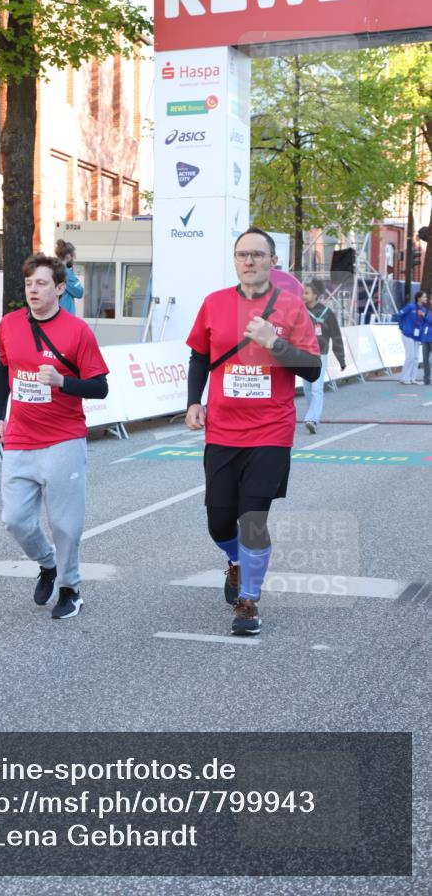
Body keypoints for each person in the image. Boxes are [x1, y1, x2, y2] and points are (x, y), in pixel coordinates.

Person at [185, 228, 321, 636]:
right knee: (219, 520)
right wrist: (194, 401)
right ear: (235, 260)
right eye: (242, 254)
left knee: (253, 518)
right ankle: (236, 561)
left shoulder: (292, 307)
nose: (249, 261)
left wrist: (274, 342)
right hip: (223, 430)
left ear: (272, 261)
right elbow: (198, 356)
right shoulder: (214, 303)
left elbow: (312, 369)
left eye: (257, 255)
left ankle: (249, 601)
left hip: (271, 431)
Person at [0, 253, 108, 619]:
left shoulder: (77, 331)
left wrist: (62, 382)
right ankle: (47, 563)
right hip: (21, 439)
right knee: (15, 520)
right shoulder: (10, 325)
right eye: (28, 284)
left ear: (59, 288)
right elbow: (4, 370)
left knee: (64, 524)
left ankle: (71, 588)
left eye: (41, 284)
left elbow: (99, 387)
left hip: (63, 439)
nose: (33, 290)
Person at [301, 278, 346, 434]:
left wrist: (341, 359)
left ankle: (312, 419)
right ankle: (312, 416)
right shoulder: (300, 311)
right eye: (303, 292)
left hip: (320, 354)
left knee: (317, 388)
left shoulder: (327, 314)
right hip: (303, 354)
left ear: (315, 295)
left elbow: (336, 336)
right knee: (307, 388)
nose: (303, 295)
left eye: (306, 293)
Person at [397, 291, 427, 385]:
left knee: (416, 358)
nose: (426, 298)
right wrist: (402, 327)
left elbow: (424, 323)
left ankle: (412, 378)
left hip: (417, 337)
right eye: (424, 297)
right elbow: (399, 315)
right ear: (419, 298)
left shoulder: (424, 310)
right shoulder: (410, 307)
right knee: (410, 357)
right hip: (407, 335)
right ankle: (404, 378)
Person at [54, 239, 84, 315]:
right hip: (64, 318)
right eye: (73, 255)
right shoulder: (66, 273)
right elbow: (79, 292)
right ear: (68, 256)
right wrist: (71, 272)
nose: (75, 258)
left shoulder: (53, 270)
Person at [421, 298, 432, 387]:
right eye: (431, 299)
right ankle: (426, 379)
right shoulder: (428, 310)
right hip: (425, 338)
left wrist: (424, 316)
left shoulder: (426, 313)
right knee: (425, 359)